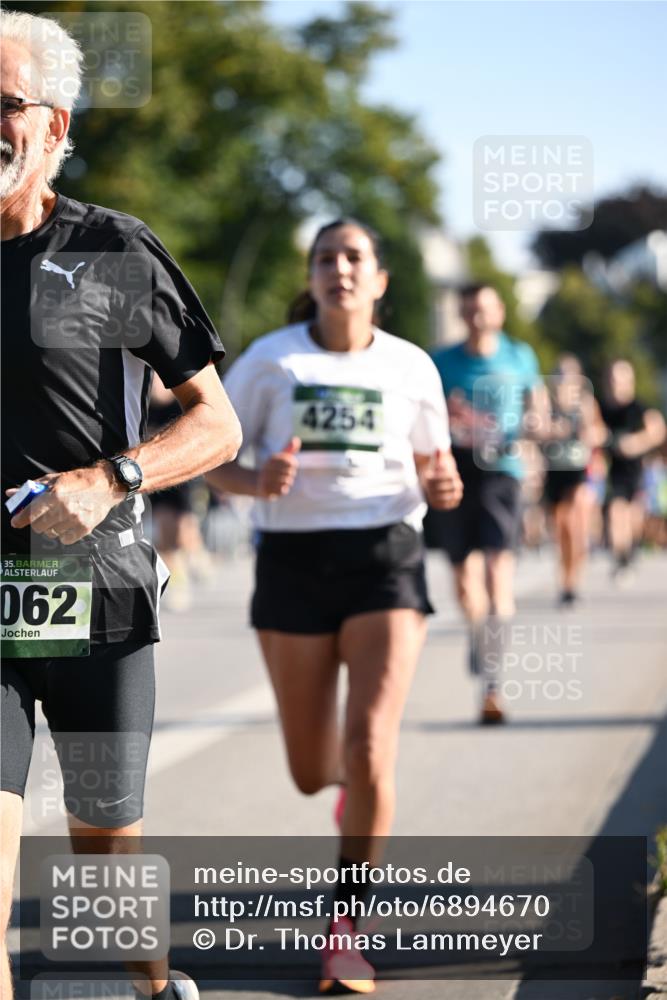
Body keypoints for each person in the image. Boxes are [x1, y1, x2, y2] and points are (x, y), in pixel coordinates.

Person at [0, 11, 242, 1000]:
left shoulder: (105, 252)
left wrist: (111, 478)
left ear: (55, 126)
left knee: (103, 852)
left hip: (95, 595)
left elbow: (216, 425)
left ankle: (151, 982)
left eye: (2, 104)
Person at [206, 219, 462, 993]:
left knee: (372, 743)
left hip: (386, 556)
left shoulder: (411, 366)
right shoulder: (270, 360)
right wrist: (257, 484)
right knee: (313, 771)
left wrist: (444, 490)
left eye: (354, 258)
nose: (339, 269)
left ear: (379, 280)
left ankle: (346, 930)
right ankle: (346, 795)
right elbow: (213, 452)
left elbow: (434, 471)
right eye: (326, 259)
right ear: (311, 276)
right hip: (292, 563)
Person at [426, 283, 543, 724]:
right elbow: (427, 412)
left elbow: (538, 408)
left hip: (503, 472)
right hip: (457, 471)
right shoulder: (442, 361)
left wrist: (533, 433)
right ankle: (480, 636)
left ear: (499, 313)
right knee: (463, 583)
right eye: (470, 309)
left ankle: (492, 680)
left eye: (484, 309)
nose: (477, 316)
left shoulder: (520, 357)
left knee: (498, 573)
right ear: (461, 313)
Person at [541, 355, 605, 605]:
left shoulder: (586, 404)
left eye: (568, 376)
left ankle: (573, 582)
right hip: (554, 469)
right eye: (559, 375)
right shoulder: (546, 402)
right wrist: (552, 431)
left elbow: (600, 433)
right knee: (561, 529)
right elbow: (536, 431)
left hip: (580, 469)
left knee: (576, 527)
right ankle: (565, 578)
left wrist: (589, 434)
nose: (563, 380)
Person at [600, 359, 666, 582]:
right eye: (612, 379)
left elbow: (658, 431)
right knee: (615, 513)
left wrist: (635, 443)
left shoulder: (639, 407)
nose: (616, 384)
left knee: (634, 517)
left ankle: (631, 551)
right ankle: (621, 559)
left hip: (637, 471)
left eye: (621, 379)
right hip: (613, 472)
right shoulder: (603, 407)